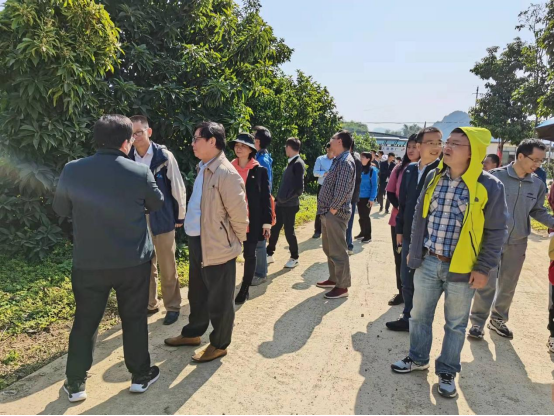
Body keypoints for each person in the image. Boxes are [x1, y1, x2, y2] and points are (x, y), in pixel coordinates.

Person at [53, 115, 165, 403]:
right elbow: (157, 203)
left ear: (96, 140)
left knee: (86, 320)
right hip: (133, 261)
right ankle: (139, 376)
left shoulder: (73, 170)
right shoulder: (139, 172)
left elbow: (60, 209)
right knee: (134, 318)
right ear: (126, 142)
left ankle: (76, 383)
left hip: (89, 262)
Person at [391, 127, 508, 400]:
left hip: (463, 269)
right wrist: (414, 250)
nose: (447, 147)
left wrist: (483, 268)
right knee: (419, 315)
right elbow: (420, 215)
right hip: (429, 261)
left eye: (456, 144)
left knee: (455, 324)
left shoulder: (490, 185)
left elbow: (496, 232)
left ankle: (447, 371)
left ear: (472, 152)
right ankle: (418, 358)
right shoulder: (434, 176)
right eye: (448, 142)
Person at [164, 122, 248, 364]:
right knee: (198, 292)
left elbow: (239, 216)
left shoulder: (226, 173)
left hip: (217, 245)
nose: (192, 144)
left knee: (220, 299)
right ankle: (193, 333)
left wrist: (233, 245)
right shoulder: (203, 167)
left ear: (213, 141)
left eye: (196, 139)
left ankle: (219, 344)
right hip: (197, 239)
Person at [470, 139, 554, 340]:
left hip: (518, 241)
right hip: (491, 241)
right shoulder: (494, 177)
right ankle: (477, 323)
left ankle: (498, 319)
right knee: (486, 282)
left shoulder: (537, 184)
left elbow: (538, 211)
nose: (538, 164)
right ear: (521, 156)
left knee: (508, 284)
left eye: (541, 161)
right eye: (535, 160)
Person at [128, 115, 187, 326]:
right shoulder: (127, 157)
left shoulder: (164, 156)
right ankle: (150, 303)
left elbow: (177, 187)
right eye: (131, 134)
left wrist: (180, 215)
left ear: (149, 132)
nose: (135, 137)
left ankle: (173, 306)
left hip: (163, 215)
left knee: (167, 264)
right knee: (145, 264)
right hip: (138, 219)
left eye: (139, 132)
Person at [386, 127, 443, 332]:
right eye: (430, 142)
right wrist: (400, 231)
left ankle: (420, 320)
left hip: (431, 236)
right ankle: (408, 316)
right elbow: (403, 203)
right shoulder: (409, 170)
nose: (436, 147)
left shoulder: (442, 171)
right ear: (419, 146)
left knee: (425, 282)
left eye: (439, 142)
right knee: (406, 277)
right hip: (409, 233)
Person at [230, 133, 272, 304]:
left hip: (252, 220)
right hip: (231, 219)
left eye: (243, 146)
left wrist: (267, 222)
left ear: (251, 150)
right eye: (236, 145)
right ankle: (226, 287)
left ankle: (245, 288)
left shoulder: (259, 170)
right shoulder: (228, 168)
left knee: (249, 254)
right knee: (228, 255)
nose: (238, 148)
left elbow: (265, 198)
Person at [315, 131, 356, 299]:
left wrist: (332, 210)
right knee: (329, 248)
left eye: (332, 138)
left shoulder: (345, 162)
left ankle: (342, 286)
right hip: (328, 212)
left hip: (335, 213)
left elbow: (342, 190)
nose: (330, 141)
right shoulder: (338, 159)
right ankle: (334, 279)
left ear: (339, 141)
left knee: (338, 251)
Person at [386, 135, 420, 306]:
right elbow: (390, 192)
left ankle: (416, 295)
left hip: (420, 223)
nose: (411, 150)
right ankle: (401, 292)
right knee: (399, 258)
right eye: (409, 147)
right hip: (398, 221)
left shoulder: (429, 169)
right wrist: (402, 209)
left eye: (415, 147)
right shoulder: (400, 169)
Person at [267, 138, 306, 269]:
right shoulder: (291, 163)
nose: (285, 149)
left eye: (285, 147)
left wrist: (284, 199)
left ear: (288, 147)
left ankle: (294, 257)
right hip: (282, 204)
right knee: (275, 228)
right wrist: (279, 199)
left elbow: (299, 189)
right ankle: (269, 253)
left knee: (289, 231)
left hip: (290, 205)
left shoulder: (298, 163)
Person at [251, 126, 274, 287]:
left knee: (260, 241)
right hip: (256, 204)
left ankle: (261, 273)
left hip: (260, 205)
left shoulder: (262, 160)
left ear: (257, 141)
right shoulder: (260, 156)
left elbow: (265, 187)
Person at [355, 152, 379, 243]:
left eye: (363, 157)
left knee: (365, 216)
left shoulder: (372, 170)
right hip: (358, 196)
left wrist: (372, 198)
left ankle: (368, 236)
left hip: (367, 197)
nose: (361, 158)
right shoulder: (359, 169)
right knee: (361, 216)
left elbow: (374, 185)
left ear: (368, 159)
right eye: (361, 157)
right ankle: (362, 233)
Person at [313, 143, 335, 239]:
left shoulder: (337, 160)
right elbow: (315, 172)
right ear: (327, 149)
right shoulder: (320, 159)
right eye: (330, 149)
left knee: (332, 208)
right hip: (322, 186)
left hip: (333, 187)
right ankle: (318, 230)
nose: (332, 151)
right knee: (320, 208)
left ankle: (330, 230)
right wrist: (325, 173)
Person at [346, 142, 363, 254]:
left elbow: (356, 182)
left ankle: (349, 245)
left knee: (348, 223)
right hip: (341, 197)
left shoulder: (355, 161)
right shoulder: (339, 158)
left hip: (350, 198)